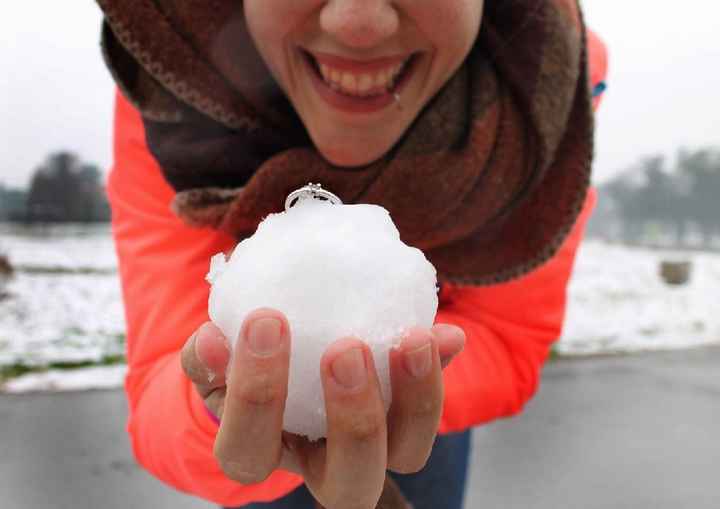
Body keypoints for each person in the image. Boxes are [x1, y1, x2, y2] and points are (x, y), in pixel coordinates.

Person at [96, 1, 607, 508]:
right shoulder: (167, 85)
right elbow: (161, 384)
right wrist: (222, 410)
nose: (357, 25)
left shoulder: (545, 99)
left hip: (426, 418)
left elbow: (507, 337)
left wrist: (401, 386)